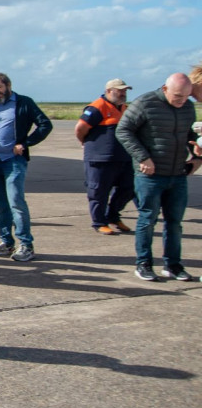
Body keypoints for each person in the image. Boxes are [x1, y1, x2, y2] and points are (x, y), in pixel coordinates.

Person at [116, 74, 198, 282]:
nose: (181, 101)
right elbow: (123, 130)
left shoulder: (187, 107)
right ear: (164, 88)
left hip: (177, 174)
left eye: (186, 97)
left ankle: (173, 265)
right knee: (147, 219)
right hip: (150, 175)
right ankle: (143, 263)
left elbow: (187, 133)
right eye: (177, 96)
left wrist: (196, 145)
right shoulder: (145, 103)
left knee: (175, 223)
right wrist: (143, 157)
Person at [0, 73, 53, 262]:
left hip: (12, 160)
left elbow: (45, 124)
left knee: (16, 202)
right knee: (0, 205)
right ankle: (6, 242)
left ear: (8, 85)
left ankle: (26, 244)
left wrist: (26, 143)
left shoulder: (24, 103)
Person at [75, 79, 136, 235]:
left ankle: (113, 215)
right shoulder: (96, 108)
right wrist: (87, 143)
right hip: (100, 159)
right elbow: (80, 129)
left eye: (125, 91)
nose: (123, 94)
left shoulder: (125, 108)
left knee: (129, 187)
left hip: (123, 157)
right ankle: (99, 222)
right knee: (99, 192)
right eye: (119, 90)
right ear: (109, 91)